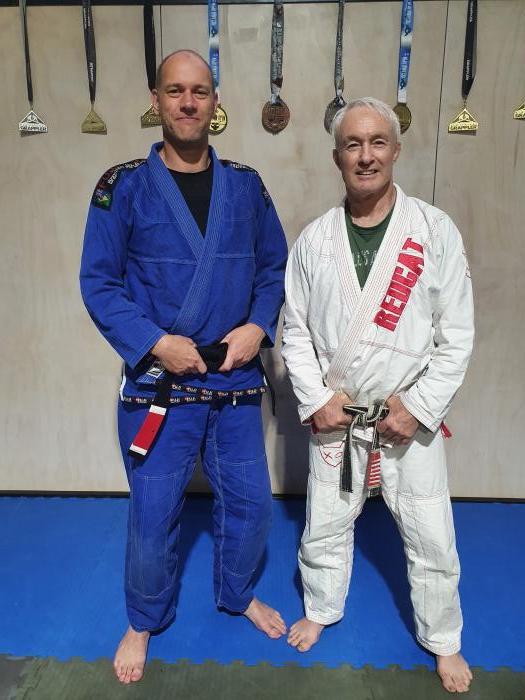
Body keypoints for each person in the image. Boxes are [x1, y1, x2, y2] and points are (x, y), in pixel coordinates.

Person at [80, 50, 288, 685]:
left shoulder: (247, 186)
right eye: (175, 90)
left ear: (215, 102)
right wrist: (154, 343)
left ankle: (238, 593)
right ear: (156, 100)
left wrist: (258, 326)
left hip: (234, 382)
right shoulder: (121, 186)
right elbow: (99, 283)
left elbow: (273, 267)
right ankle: (143, 619)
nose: (189, 102)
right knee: (153, 513)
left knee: (252, 504)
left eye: (200, 90)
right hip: (160, 385)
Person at [281, 97, 474, 694]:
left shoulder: (433, 232)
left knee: (430, 529)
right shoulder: (315, 241)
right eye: (353, 145)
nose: (366, 156)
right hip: (340, 413)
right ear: (337, 157)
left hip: (406, 412)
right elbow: (294, 331)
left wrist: (418, 407)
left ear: (396, 150)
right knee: (325, 520)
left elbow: (456, 335)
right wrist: (316, 401)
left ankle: (443, 638)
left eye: (377, 143)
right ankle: (321, 607)